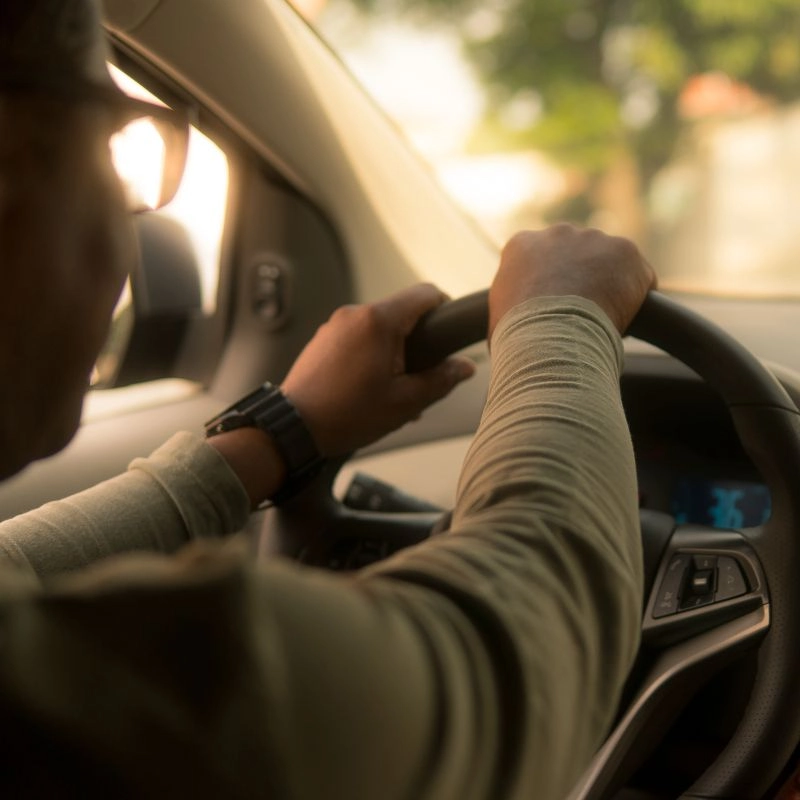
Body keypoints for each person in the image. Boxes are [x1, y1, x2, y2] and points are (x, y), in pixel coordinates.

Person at [0, 1, 656, 798]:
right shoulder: (117, 698)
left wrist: (283, 433)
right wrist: (560, 321)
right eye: (113, 143)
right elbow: (511, 659)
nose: (131, 220)